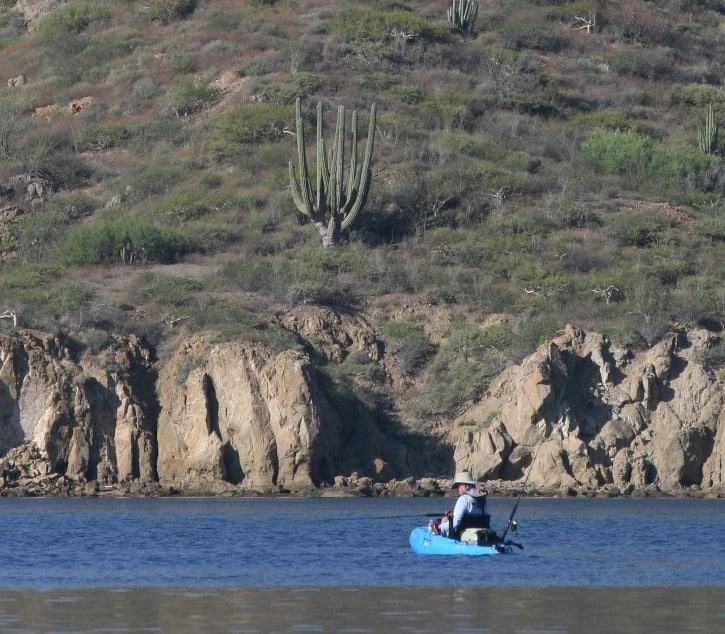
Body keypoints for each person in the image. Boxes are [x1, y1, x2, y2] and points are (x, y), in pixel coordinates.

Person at [432, 470, 489, 539]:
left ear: (465, 485)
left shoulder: (463, 499)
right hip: (482, 534)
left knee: (443, 523)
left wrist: (439, 527)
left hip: (464, 535)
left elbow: (456, 523)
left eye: (459, 486)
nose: (458, 489)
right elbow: (484, 515)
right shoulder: (484, 498)